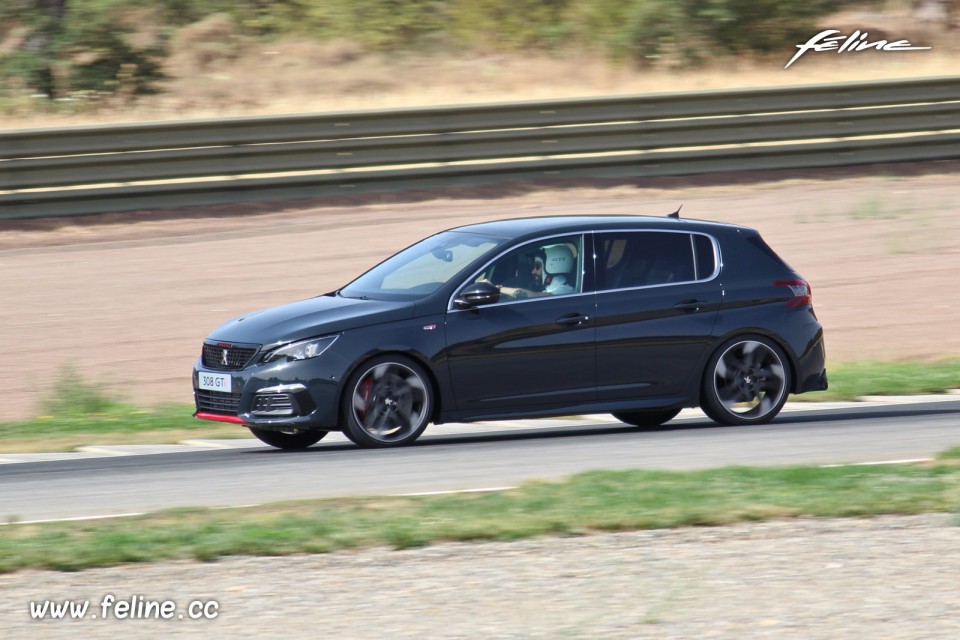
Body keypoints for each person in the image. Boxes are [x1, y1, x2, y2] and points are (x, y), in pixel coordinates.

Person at [498, 244, 575, 299]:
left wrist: (499, 289)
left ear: (552, 266)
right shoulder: (551, 288)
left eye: (537, 266)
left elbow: (533, 296)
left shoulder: (564, 291)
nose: (533, 271)